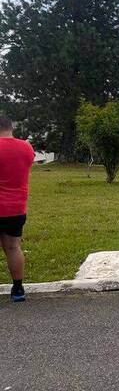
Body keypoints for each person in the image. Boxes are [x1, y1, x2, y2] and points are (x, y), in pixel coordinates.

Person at [0, 115, 34, 302]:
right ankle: (18, 289)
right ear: (11, 127)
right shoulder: (26, 147)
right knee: (13, 247)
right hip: (16, 207)